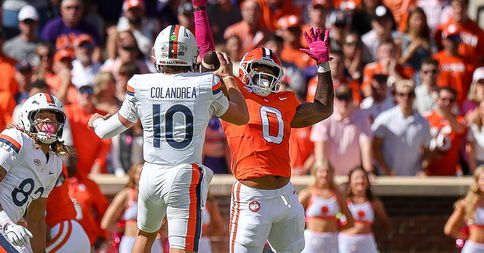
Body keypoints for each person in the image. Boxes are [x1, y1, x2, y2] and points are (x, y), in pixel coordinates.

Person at [89, 24, 249, 253]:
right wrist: (228, 78)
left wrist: (95, 121)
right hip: (184, 174)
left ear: (158, 54)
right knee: (182, 247)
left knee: (144, 236)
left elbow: (106, 131)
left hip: (150, 174)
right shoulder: (206, 84)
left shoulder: (140, 84)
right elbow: (241, 116)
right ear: (192, 55)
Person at [192, 1, 334, 251]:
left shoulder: (285, 100)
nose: (264, 75)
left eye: (270, 70)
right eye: (258, 68)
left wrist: (323, 65)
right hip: (251, 196)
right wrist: (200, 11)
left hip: (286, 195)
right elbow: (208, 54)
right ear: (245, 70)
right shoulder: (233, 93)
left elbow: (323, 108)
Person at [0, 93, 65, 252]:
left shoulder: (55, 163)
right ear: (27, 118)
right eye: (41, 116)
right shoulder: (16, 138)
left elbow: (36, 219)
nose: (48, 122)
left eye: (52, 118)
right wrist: (5, 222)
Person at [372, 80, 431, 176]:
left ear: (414, 96)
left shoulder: (423, 122)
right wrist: (386, 169)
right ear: (396, 96)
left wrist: (423, 169)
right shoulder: (385, 118)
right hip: (388, 176)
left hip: (412, 177)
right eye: (402, 94)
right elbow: (375, 147)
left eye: (409, 94)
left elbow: (427, 150)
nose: (406, 98)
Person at [101, 162, 163, 253]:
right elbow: (105, 223)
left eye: (145, 173)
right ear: (133, 175)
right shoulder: (126, 194)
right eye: (138, 173)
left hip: (154, 242)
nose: (142, 176)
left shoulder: (157, 195)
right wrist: (123, 229)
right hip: (130, 241)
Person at [298, 160, 354, 253]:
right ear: (315, 173)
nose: (324, 174)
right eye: (321, 171)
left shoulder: (338, 195)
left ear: (332, 173)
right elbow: (293, 214)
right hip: (311, 240)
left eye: (328, 171)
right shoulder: (308, 193)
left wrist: (336, 229)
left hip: (331, 241)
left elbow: (350, 220)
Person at [339, 167, 392, 253]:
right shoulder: (345, 201)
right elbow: (337, 215)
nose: (360, 181)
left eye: (363, 177)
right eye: (356, 178)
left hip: (367, 243)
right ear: (350, 182)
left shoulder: (373, 202)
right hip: (346, 243)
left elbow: (385, 221)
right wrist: (341, 218)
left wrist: (379, 236)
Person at [444, 166, 484, 252]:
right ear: (477, 181)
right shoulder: (467, 203)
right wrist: (467, 237)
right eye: (483, 179)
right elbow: (449, 229)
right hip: (474, 248)